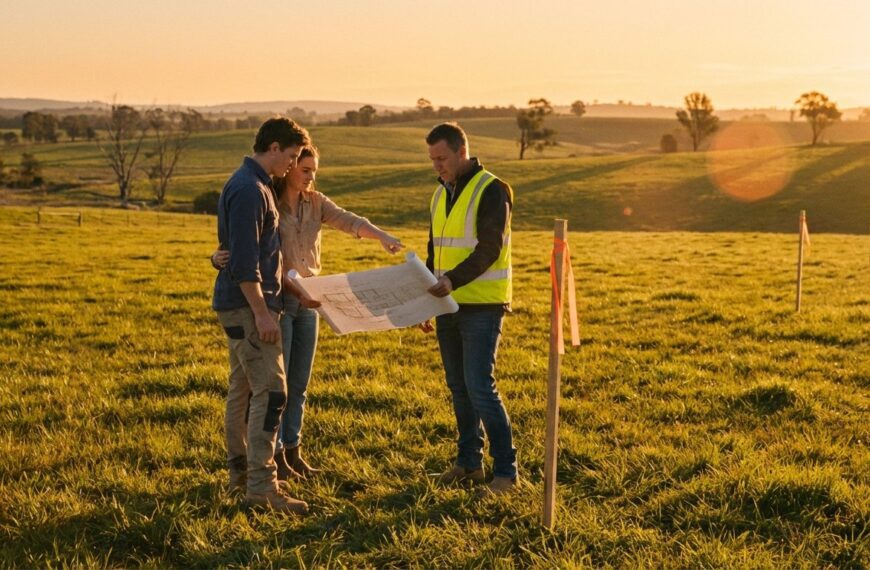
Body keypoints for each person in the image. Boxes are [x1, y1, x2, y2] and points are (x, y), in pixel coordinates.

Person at [213, 144, 404, 482]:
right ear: (289, 168)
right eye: (304, 169)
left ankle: (292, 450)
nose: (310, 176)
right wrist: (217, 257)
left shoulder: (316, 202)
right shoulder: (266, 199)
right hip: (281, 300)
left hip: (311, 302)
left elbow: (348, 221)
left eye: (314, 170)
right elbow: (248, 249)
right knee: (276, 386)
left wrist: (381, 236)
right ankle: (272, 461)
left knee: (298, 384)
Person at [212, 117, 310, 514]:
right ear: (272, 147)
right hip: (250, 306)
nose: (290, 165)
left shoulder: (250, 184)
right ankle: (261, 487)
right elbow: (246, 264)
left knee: (243, 389)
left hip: (239, 303)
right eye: (289, 157)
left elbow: (232, 250)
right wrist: (264, 315)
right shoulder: (251, 190)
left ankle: (240, 472)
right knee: (272, 393)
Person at [420, 122, 518, 496]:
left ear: (463, 152)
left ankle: (506, 474)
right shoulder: (439, 193)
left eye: (442, 158)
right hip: (448, 303)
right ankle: (468, 465)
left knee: (480, 387)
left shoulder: (493, 189)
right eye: (432, 160)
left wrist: (451, 281)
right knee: (458, 388)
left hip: (482, 304)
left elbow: (489, 248)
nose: (437, 166)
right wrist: (427, 298)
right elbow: (435, 251)